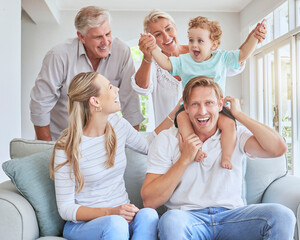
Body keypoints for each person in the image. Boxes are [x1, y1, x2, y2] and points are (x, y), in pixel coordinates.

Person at [141, 76, 296, 240]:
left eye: (209, 103)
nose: (202, 111)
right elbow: (149, 201)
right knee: (170, 221)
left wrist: (239, 115)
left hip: (232, 218)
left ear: (220, 105)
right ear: (185, 107)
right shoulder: (166, 139)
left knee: (282, 215)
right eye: (195, 104)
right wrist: (184, 159)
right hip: (187, 218)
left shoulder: (236, 134)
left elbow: (279, 148)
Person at [50, 72, 179, 240]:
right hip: (85, 225)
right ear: (95, 102)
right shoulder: (66, 147)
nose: (116, 89)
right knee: (115, 224)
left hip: (121, 217)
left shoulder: (118, 125)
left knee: (149, 215)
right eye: (110, 87)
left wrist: (176, 111)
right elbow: (66, 209)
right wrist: (112, 212)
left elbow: (149, 146)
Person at [132, 9, 266, 128]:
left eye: (168, 29)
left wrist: (254, 37)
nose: (166, 36)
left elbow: (241, 56)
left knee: (230, 125)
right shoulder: (183, 61)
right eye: (158, 34)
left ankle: (227, 156)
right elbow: (164, 64)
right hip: (186, 114)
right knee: (181, 122)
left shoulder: (220, 57)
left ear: (213, 45)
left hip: (216, 110)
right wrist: (151, 50)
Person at [30, 6, 144, 141]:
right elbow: (40, 104)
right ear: (81, 37)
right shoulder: (59, 55)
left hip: (102, 142)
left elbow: (130, 102)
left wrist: (132, 147)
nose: (106, 42)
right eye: (98, 37)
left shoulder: (122, 52)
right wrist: (47, 149)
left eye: (108, 34)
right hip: (63, 139)